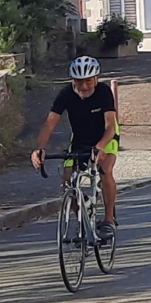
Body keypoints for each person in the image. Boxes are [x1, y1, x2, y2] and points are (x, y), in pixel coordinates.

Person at [31, 56, 119, 240]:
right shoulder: (66, 94)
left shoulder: (103, 92)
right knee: (67, 181)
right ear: (72, 80)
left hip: (106, 137)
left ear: (96, 78)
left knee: (105, 170)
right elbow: (49, 124)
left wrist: (100, 146)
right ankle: (83, 219)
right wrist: (39, 149)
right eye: (79, 81)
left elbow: (110, 125)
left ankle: (109, 220)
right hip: (79, 138)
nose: (84, 86)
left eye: (88, 81)